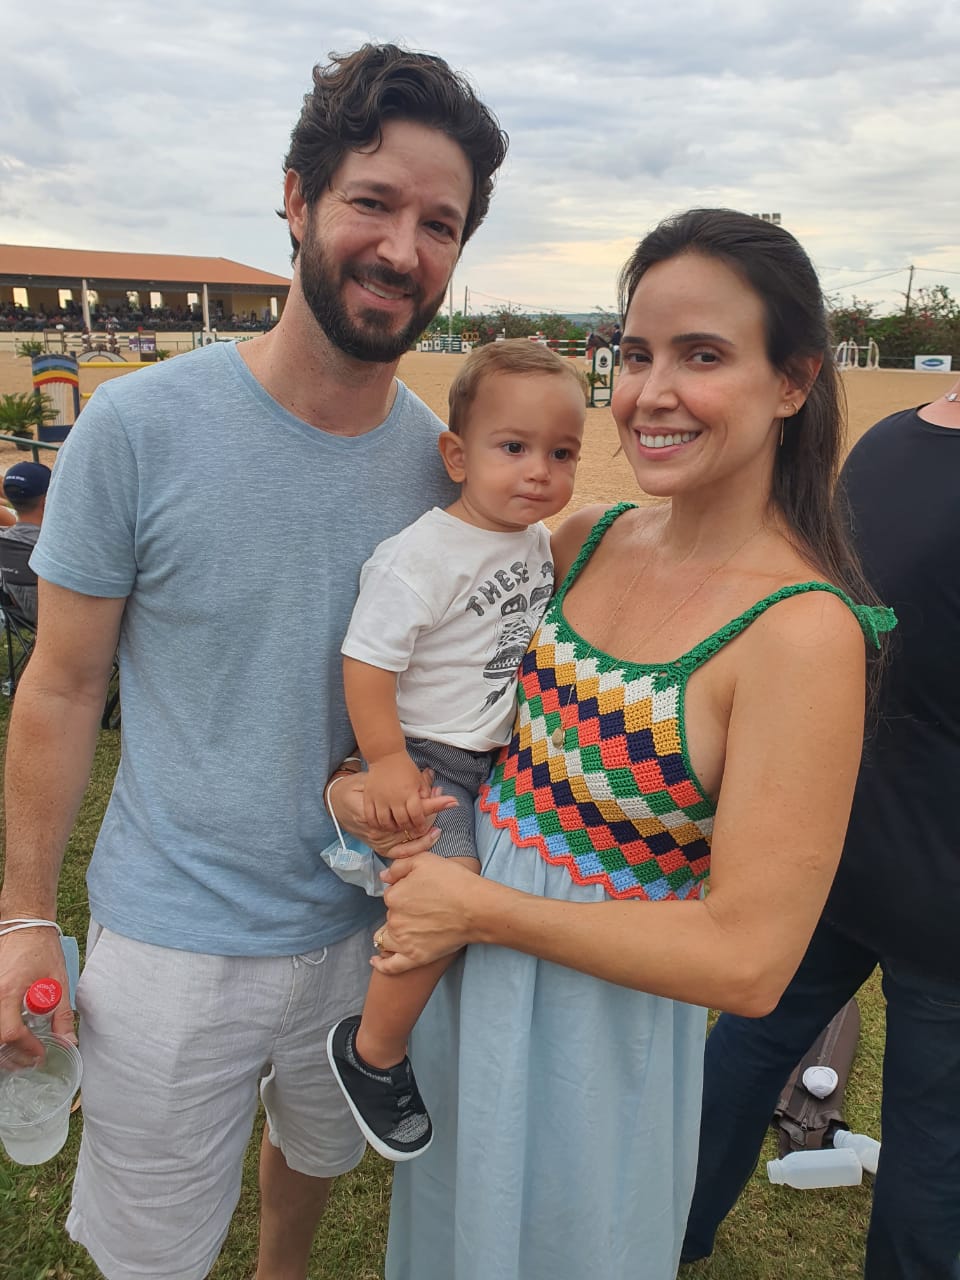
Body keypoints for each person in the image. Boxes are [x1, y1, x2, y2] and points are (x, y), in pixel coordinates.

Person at [0, 44, 506, 1280]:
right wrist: (23, 916)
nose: (402, 248)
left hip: (366, 930)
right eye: (373, 202)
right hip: (175, 940)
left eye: (438, 223)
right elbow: (62, 686)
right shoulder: (137, 429)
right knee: (150, 1245)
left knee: (310, 1175)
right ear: (297, 198)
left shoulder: (445, 469)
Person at [344, 208, 896, 1280]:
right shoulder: (584, 536)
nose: (650, 391)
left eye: (703, 355)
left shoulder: (800, 629)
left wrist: (481, 907)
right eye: (636, 353)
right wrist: (361, 781)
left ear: (792, 381)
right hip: (465, 995)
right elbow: (445, 692)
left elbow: (749, 959)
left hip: (591, 1057)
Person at [680, 376, 960, 1280]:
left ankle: (661, 1233)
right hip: (942, 880)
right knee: (936, 1131)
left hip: (839, 835)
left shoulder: (887, 444)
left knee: (752, 1042)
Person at [325, 340, 585, 1160]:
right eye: (513, 448)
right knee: (448, 898)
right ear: (455, 455)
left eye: (562, 452)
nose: (539, 471)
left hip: (491, 758)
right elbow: (366, 660)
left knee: (461, 901)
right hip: (428, 757)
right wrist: (389, 760)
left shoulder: (533, 543)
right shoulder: (422, 555)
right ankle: (373, 1054)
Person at [0, 461, 51, 625]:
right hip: (70, 621)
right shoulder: (54, 547)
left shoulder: (4, 540)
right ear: (47, 501)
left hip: (23, 617)